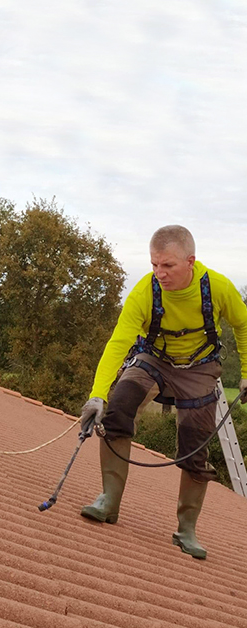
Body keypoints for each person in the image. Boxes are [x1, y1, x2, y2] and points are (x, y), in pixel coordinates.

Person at [79, 225, 247, 560]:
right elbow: (117, 344)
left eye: (167, 265)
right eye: (154, 264)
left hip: (199, 368)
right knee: (118, 408)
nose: (159, 273)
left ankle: (186, 529)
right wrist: (98, 394)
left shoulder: (217, 287)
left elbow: (243, 325)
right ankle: (108, 501)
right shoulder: (144, 292)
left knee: (194, 445)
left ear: (190, 261)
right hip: (153, 359)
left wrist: (246, 373)